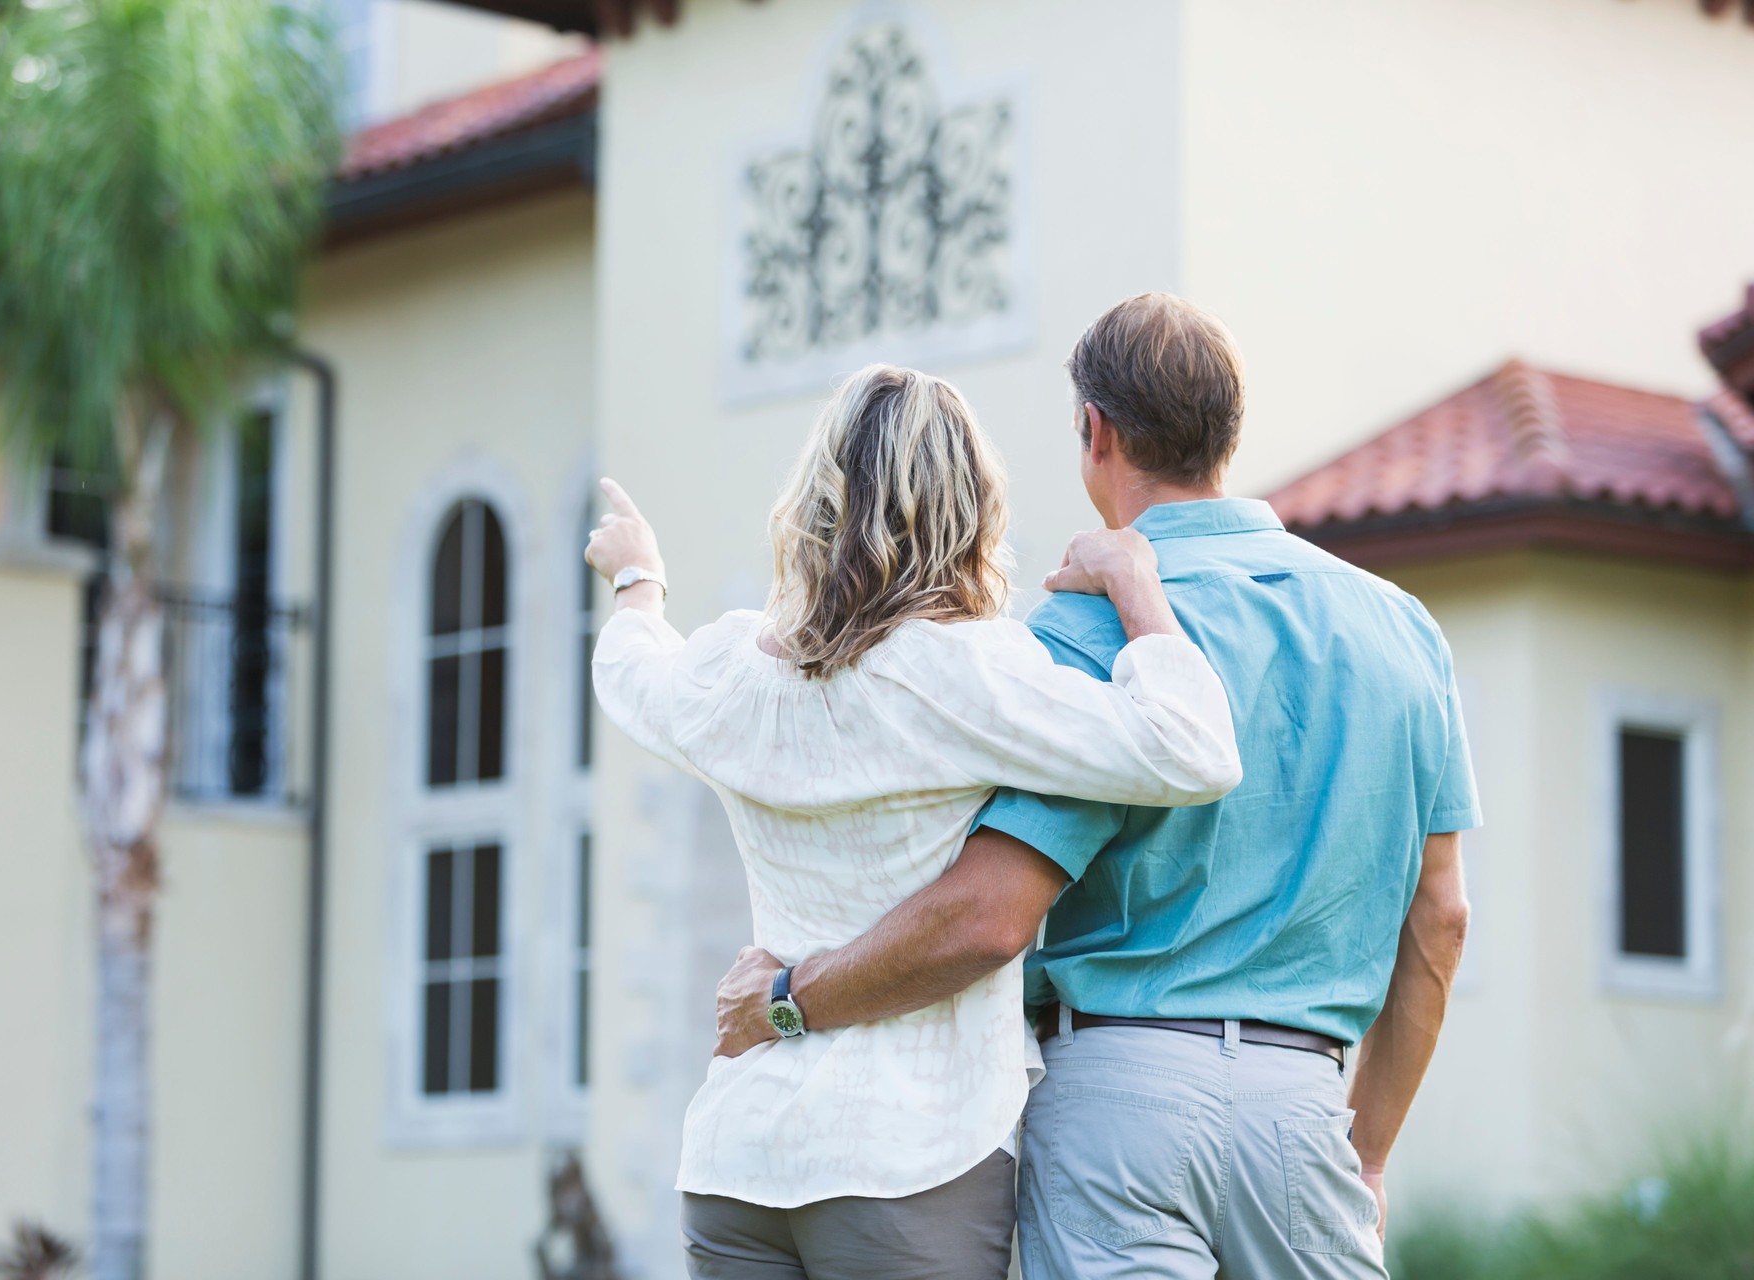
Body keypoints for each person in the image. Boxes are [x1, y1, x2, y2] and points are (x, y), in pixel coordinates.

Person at [715, 295, 1480, 1279]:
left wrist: (788, 994)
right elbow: (1443, 916)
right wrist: (1365, 1150)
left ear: (1097, 431)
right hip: (1307, 1105)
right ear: (1227, 432)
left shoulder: (1081, 629)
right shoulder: (1403, 629)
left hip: (1118, 1098)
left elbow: (990, 913)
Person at [585, 362, 1244, 1280]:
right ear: (969, 505)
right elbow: (1196, 748)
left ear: (819, 497)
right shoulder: (965, 671)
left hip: (740, 1158)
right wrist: (1136, 585)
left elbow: (633, 676)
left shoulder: (734, 672)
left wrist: (637, 579)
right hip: (912, 1160)